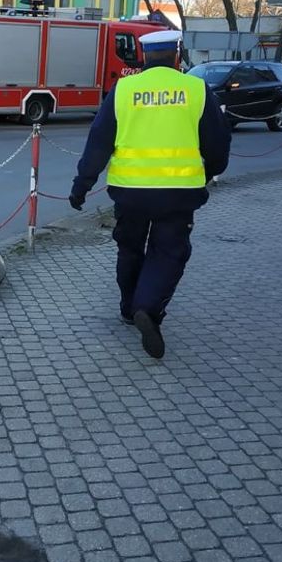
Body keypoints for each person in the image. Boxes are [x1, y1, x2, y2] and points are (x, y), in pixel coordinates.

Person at [67, 31, 231, 359]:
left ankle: (130, 309)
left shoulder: (124, 89)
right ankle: (148, 307)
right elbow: (218, 143)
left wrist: (81, 185)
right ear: (177, 55)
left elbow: (98, 142)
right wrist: (209, 172)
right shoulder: (196, 89)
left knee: (129, 251)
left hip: (130, 194)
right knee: (169, 253)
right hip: (179, 194)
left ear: (143, 57)